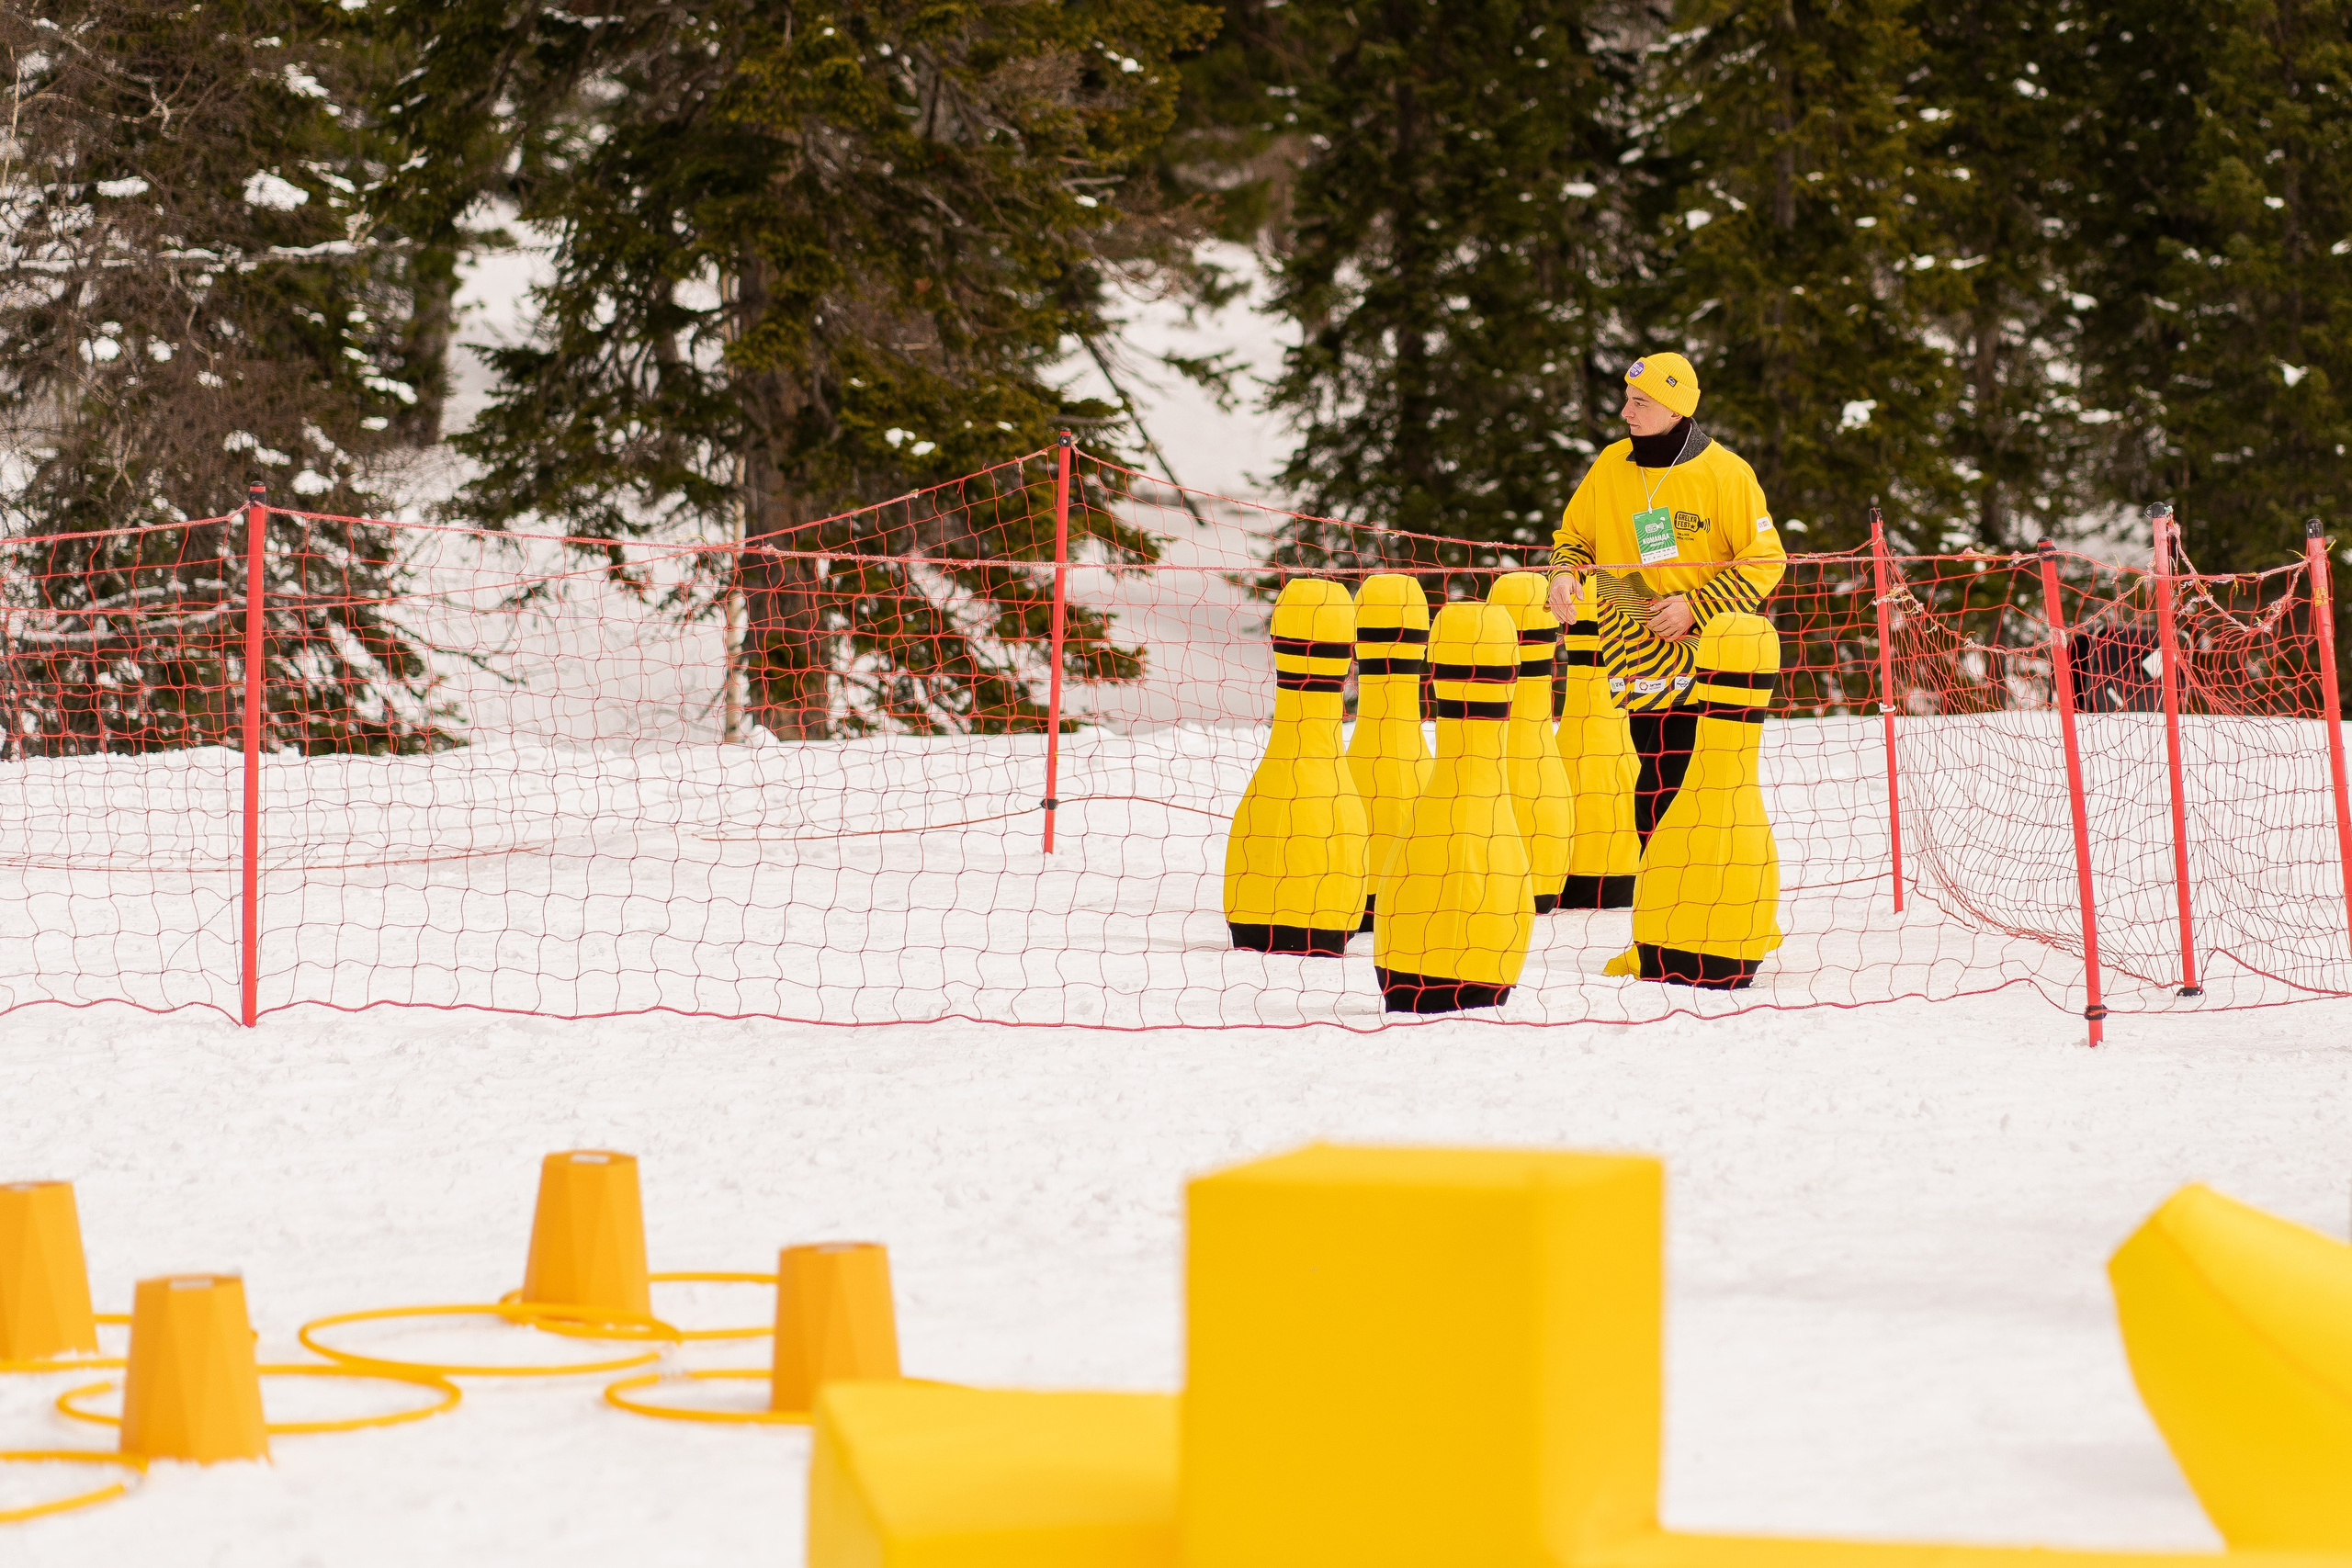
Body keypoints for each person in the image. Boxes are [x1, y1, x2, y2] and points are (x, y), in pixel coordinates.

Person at [1545, 351, 1785, 867]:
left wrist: (1697, 608)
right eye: (1627, 401)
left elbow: (1767, 560)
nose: (1627, 413)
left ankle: (1689, 901)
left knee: (1685, 782)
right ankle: (1662, 900)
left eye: (1640, 403)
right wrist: (1564, 572)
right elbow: (1573, 537)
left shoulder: (1725, 474)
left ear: (1676, 410)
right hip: (1634, 656)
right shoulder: (1612, 464)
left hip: (1703, 658)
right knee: (1653, 782)